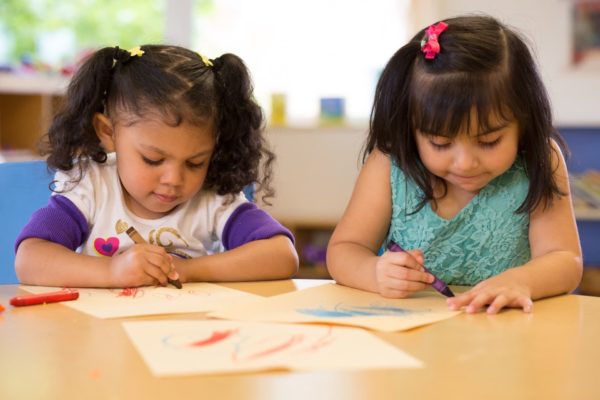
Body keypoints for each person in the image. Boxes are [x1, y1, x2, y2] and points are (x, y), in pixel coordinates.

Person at [326, 15, 582, 314]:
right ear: (412, 128)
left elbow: (565, 259)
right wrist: (374, 273)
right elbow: (343, 251)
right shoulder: (390, 165)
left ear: (523, 122)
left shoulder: (540, 160)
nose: (466, 163)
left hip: (507, 340)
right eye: (441, 143)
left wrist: (521, 281)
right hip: (412, 341)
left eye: (489, 141)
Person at [15, 44, 298, 288]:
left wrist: (189, 270)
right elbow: (30, 259)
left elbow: (282, 255)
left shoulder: (213, 197)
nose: (174, 179)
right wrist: (112, 271)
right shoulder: (91, 186)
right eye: (153, 159)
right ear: (108, 132)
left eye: (195, 163)